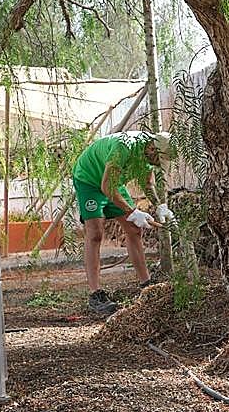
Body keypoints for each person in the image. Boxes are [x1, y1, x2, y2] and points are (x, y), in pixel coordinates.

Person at [71, 131, 175, 316]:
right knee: (95, 233)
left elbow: (147, 184)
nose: (159, 164)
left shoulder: (146, 154)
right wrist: (133, 212)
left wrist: (160, 206)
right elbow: (106, 187)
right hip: (89, 180)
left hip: (111, 182)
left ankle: (146, 285)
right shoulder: (124, 147)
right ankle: (96, 294)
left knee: (134, 230)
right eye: (159, 160)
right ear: (152, 149)